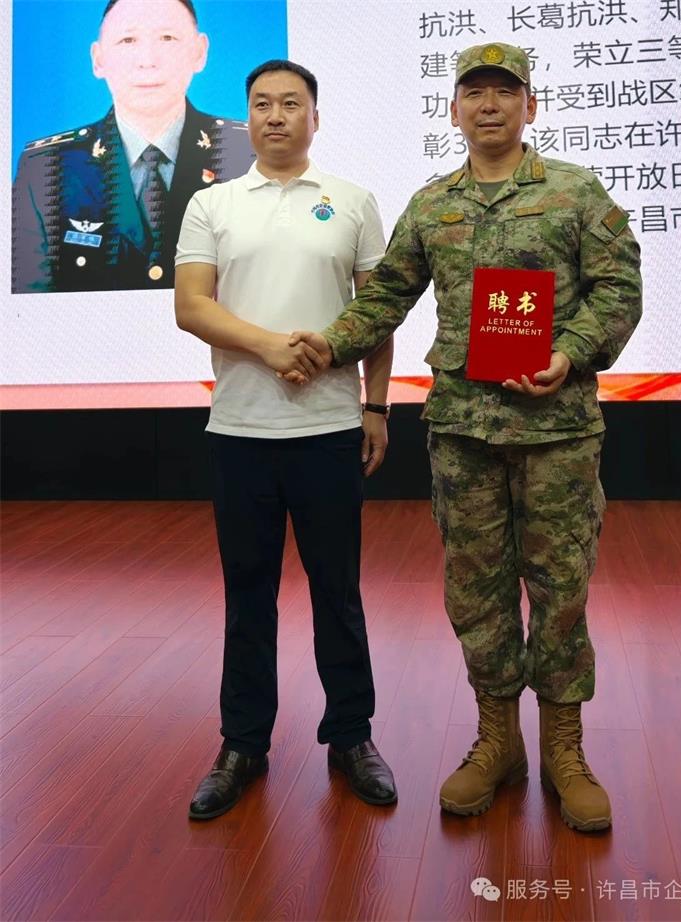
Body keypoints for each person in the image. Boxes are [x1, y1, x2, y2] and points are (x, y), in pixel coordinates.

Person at [290, 42, 642, 831]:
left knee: (560, 591)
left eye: (505, 92)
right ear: (453, 110)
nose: (489, 105)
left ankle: (565, 749)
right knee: (477, 592)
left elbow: (619, 289)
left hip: (557, 432)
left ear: (530, 106)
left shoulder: (575, 193)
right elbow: (386, 297)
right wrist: (328, 343)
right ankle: (498, 742)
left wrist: (568, 352)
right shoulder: (430, 206)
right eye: (474, 93)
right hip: (463, 433)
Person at [174, 59, 397, 820]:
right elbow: (192, 306)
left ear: (315, 117)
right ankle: (242, 743)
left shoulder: (352, 201)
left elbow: (377, 314)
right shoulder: (212, 203)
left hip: (329, 429)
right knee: (248, 596)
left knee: (339, 593)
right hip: (240, 431)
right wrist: (272, 346)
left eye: (291, 104)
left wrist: (377, 406)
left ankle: (352, 737)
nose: (275, 116)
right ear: (247, 119)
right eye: (263, 104)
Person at [12, 0, 255, 293]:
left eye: (167, 38)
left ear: (199, 52)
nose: (147, 60)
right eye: (128, 40)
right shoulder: (47, 168)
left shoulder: (249, 153)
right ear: (98, 60)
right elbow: (29, 302)